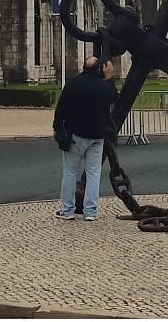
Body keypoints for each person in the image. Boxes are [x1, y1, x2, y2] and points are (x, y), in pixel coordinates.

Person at [52, 55, 118, 221]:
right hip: (96, 136)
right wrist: (109, 78)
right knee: (94, 174)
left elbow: (61, 108)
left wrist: (57, 128)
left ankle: (68, 210)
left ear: (83, 67)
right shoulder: (103, 87)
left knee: (70, 173)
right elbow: (113, 99)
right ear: (99, 69)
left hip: (75, 134)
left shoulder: (73, 84)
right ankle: (90, 211)